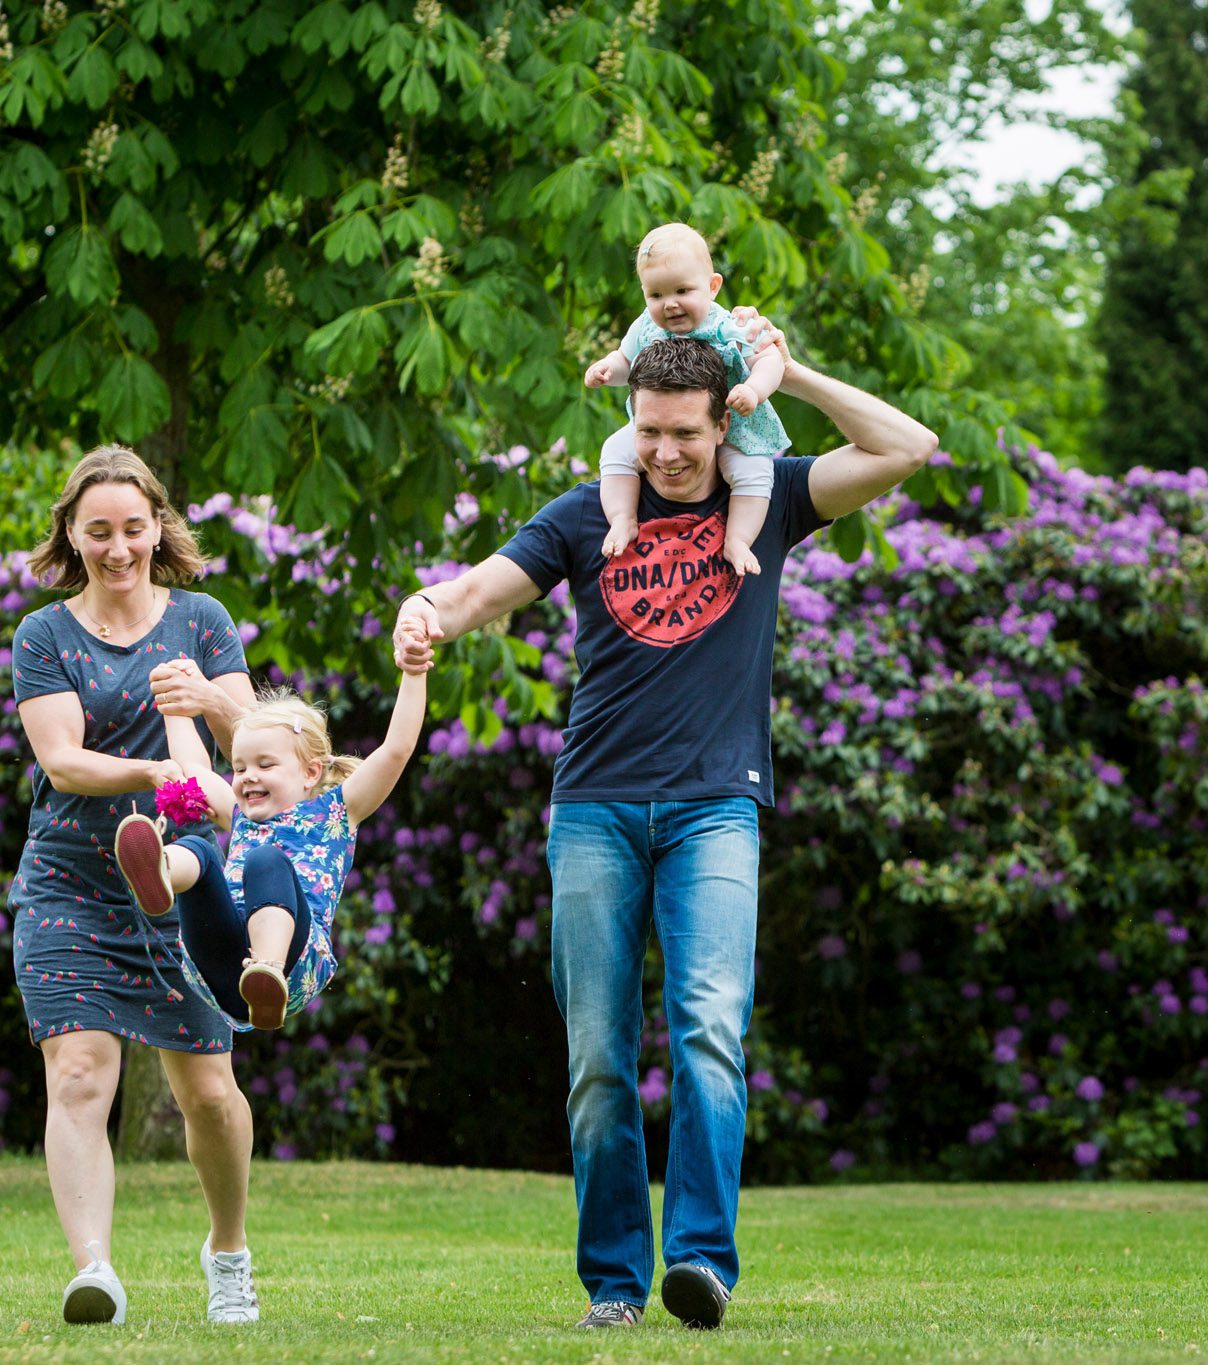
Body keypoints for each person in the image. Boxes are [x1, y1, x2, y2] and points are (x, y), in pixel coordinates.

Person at [394, 321, 936, 1331]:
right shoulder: (580, 517)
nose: (666, 453)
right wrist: (424, 608)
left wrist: (783, 374)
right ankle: (611, 1285)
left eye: (685, 433)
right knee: (598, 1057)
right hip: (593, 808)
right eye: (648, 433)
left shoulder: (764, 498)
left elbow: (905, 448)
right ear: (630, 423)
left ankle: (697, 1263)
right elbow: (473, 590)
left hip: (714, 808)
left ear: (719, 426)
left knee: (708, 1032)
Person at [9, 444, 263, 1327]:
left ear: (159, 526)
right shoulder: (45, 635)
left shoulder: (201, 619)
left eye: (133, 527)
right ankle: (95, 1273)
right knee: (78, 1075)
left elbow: (252, 745)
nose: (118, 547)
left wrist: (209, 699)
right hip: (70, 886)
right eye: (98, 531)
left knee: (210, 1095)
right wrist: (155, 770)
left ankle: (227, 1249)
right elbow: (63, 760)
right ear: (72, 537)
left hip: (185, 886)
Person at [109, 671, 427, 1033]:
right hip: (222, 968)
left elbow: (396, 749)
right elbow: (194, 770)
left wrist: (414, 672)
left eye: (265, 764)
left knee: (265, 859)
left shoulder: (338, 810)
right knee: (199, 849)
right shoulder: (240, 814)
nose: (247, 777)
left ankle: (268, 970)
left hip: (292, 965)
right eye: (240, 767)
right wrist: (173, 705)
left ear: (310, 772)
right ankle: (160, 870)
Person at [584, 222, 788, 576]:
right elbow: (624, 361)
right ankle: (622, 519)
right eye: (657, 295)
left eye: (682, 290)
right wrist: (605, 369)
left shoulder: (727, 325)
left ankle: (738, 539)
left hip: (736, 423)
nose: (670, 304)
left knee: (754, 474)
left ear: (712, 287)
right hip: (667, 428)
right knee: (615, 453)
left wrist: (754, 389)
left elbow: (770, 359)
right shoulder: (645, 328)